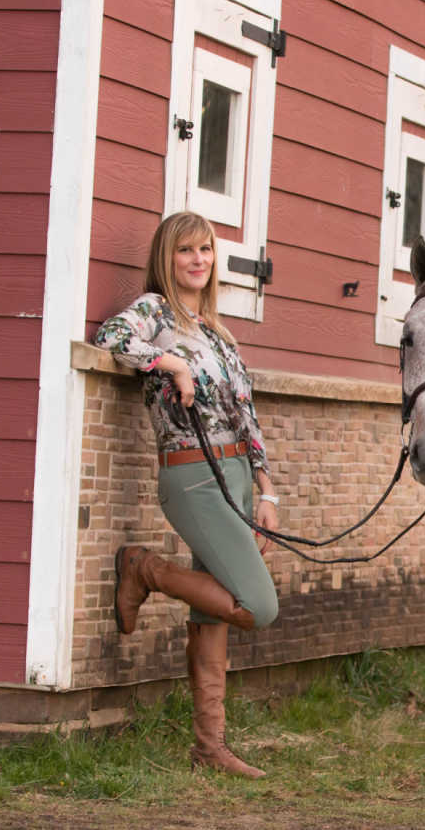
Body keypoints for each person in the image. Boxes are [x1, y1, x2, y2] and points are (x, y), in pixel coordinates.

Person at [94, 211, 279, 778]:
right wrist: (169, 361)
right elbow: (110, 338)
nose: (199, 260)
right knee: (257, 606)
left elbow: (245, 415)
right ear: (167, 259)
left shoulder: (219, 333)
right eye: (186, 251)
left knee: (214, 611)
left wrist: (267, 490)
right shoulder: (155, 313)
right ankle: (143, 569)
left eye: (206, 250)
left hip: (237, 477)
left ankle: (208, 745)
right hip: (192, 474)